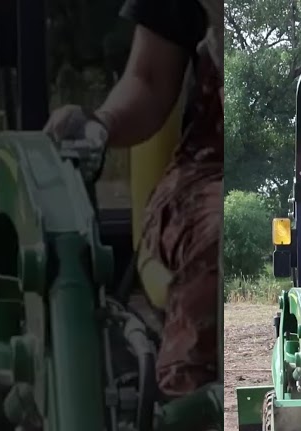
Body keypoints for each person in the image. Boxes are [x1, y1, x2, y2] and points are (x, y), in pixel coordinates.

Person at [43, 0, 223, 399]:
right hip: (210, 167)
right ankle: (191, 407)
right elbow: (149, 80)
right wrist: (101, 124)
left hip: (277, 166)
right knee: (224, 233)